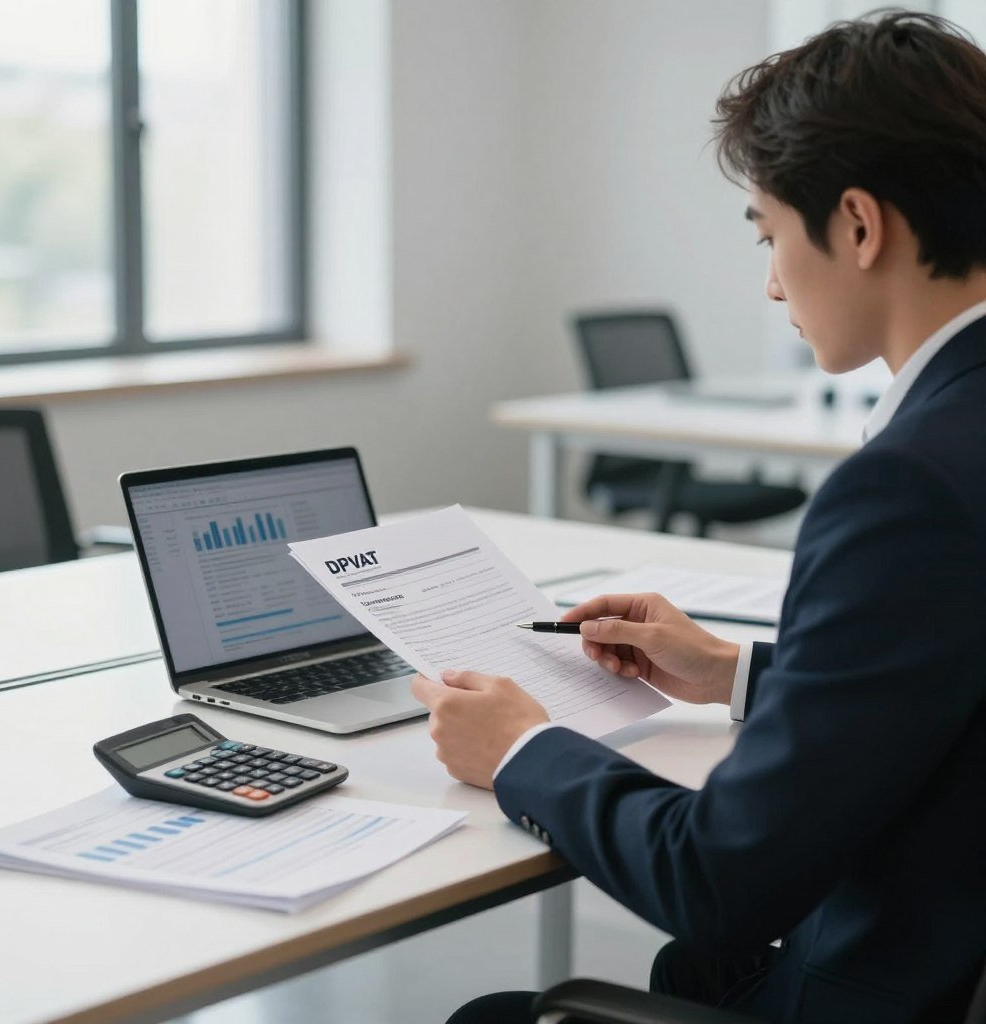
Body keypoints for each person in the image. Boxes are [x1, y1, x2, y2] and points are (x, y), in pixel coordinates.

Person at [411, 11, 986, 1024]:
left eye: (769, 234)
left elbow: (719, 882)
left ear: (857, 225)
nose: (770, 284)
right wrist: (736, 672)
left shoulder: (909, 488)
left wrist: (519, 750)